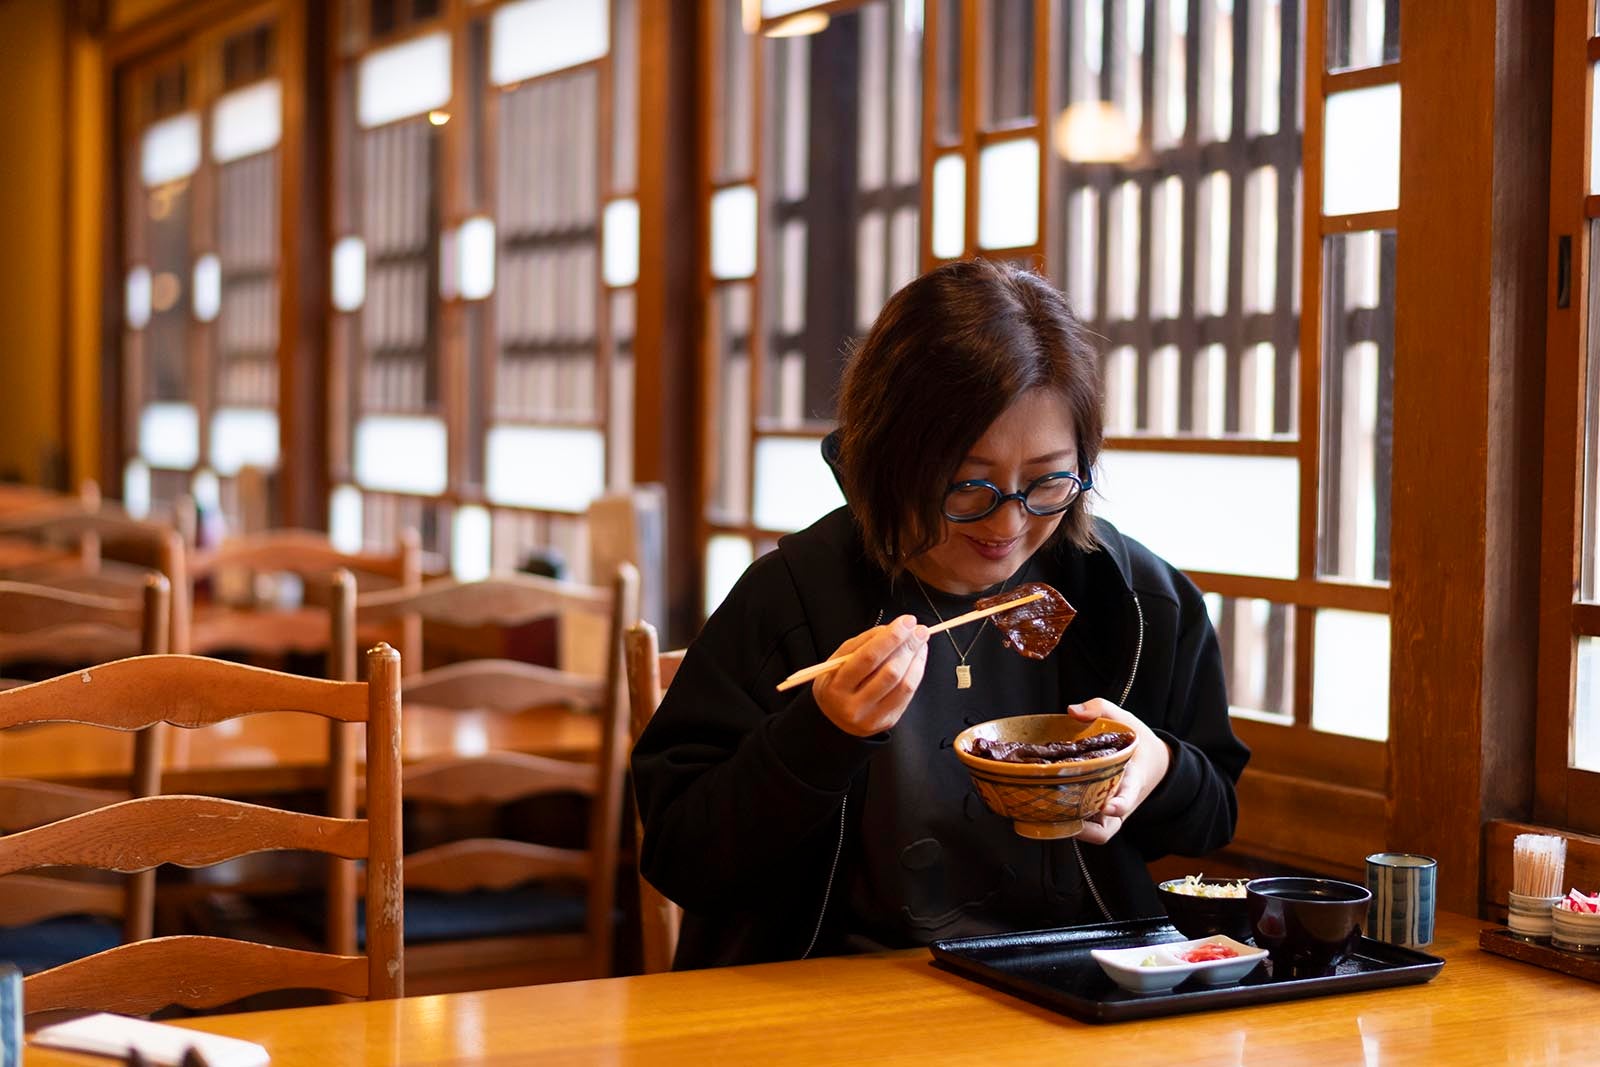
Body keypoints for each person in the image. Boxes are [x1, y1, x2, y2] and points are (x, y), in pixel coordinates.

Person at [632, 259, 1249, 969]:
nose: (1010, 522)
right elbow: (681, 855)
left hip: (1072, 984)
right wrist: (821, 735)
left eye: (1047, 479)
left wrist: (1157, 765)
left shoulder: (1133, 599)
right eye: (969, 486)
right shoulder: (795, 597)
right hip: (837, 997)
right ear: (894, 458)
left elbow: (1213, 811)